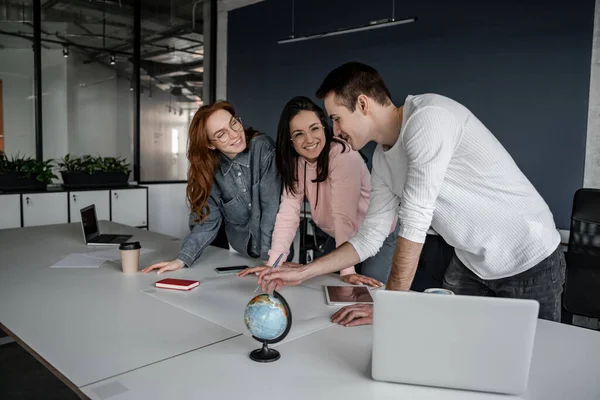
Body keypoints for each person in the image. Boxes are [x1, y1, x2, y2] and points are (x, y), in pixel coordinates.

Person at [256, 62, 565, 324]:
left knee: (533, 361)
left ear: (362, 104)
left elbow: (416, 219)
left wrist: (389, 306)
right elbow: (368, 237)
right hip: (472, 263)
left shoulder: (428, 118)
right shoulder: (381, 159)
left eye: (336, 118)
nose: (333, 131)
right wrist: (305, 271)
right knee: (457, 350)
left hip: (528, 259)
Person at [239, 96, 398, 286]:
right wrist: (274, 264)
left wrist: (346, 270)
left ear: (324, 127)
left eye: (314, 128)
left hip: (378, 234)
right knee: (326, 286)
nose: (309, 139)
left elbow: (343, 216)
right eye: (298, 134)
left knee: (372, 293)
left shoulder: (343, 155)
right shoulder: (298, 164)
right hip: (339, 237)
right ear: (290, 141)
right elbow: (288, 215)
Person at [143, 101, 281, 274]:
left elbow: (271, 209)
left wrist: (271, 263)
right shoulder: (211, 172)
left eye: (233, 123)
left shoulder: (262, 148)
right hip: (242, 255)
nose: (235, 134)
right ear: (210, 144)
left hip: (278, 255)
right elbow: (207, 222)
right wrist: (182, 259)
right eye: (221, 134)